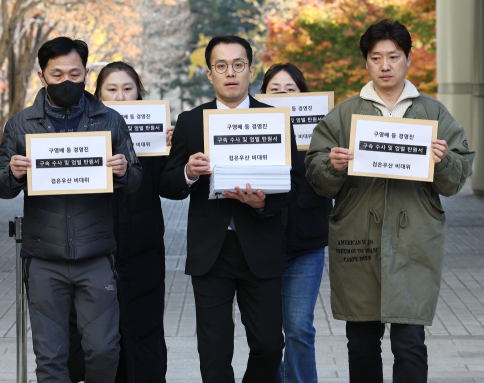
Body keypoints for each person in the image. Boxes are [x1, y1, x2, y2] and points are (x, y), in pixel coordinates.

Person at [305, 19, 475, 383]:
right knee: (361, 342)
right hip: (357, 238)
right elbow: (316, 174)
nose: (385, 65)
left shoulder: (433, 114)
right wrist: (332, 165)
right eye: (376, 57)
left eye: (393, 57)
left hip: (415, 239)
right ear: (366, 62)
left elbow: (457, 178)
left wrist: (443, 159)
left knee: (410, 340)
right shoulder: (345, 114)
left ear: (408, 59)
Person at [0, 37, 142, 382]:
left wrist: (123, 170)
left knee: (104, 350)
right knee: (51, 358)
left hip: (97, 255)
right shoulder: (21, 124)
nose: (67, 81)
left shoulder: (110, 120)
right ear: (42, 76)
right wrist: (12, 173)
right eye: (57, 74)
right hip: (44, 258)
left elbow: (135, 178)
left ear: (86, 73)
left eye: (75, 73)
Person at [160, 35, 299, 382]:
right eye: (221, 66)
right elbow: (166, 184)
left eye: (238, 64)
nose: (230, 72)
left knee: (269, 345)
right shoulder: (191, 121)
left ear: (251, 70)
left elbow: (292, 183)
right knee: (214, 350)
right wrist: (188, 173)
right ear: (210, 75)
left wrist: (263, 202)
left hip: (260, 246)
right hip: (212, 251)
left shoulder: (276, 119)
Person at [68, 61, 173, 383]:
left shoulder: (156, 135)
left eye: (128, 89)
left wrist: (172, 150)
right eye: (111, 89)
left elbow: (170, 188)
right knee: (98, 335)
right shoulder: (82, 131)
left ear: (139, 93)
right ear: (98, 95)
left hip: (143, 246)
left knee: (144, 329)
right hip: (95, 248)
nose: (121, 96)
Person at [260, 63, 333, 383]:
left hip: (306, 245)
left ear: (304, 96)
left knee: (299, 327)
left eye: (290, 90)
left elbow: (331, 185)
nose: (283, 96)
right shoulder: (250, 131)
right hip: (262, 245)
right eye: (274, 90)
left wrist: (334, 163)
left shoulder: (323, 135)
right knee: (267, 334)